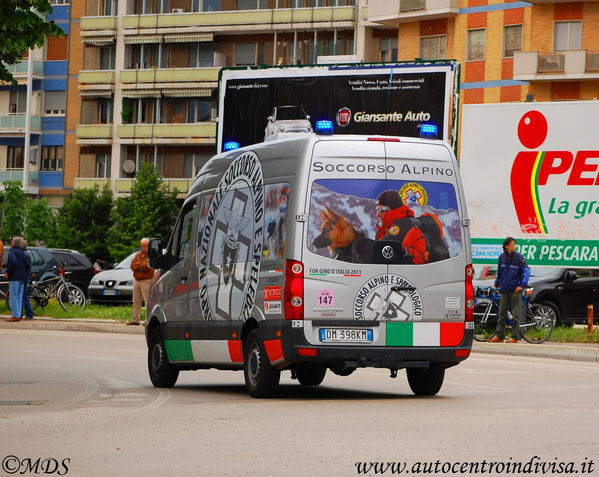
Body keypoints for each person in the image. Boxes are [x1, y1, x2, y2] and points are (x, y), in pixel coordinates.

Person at [488, 236, 531, 343]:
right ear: (506, 246)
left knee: (516, 314)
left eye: (514, 244)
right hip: (504, 289)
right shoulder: (502, 257)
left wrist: (521, 285)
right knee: (501, 314)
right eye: (512, 244)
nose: (514, 246)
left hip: (515, 290)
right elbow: (500, 273)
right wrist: (496, 284)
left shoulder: (519, 258)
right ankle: (499, 336)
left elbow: (526, 272)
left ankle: (515, 337)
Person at [129, 238, 154, 325]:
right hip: (137, 280)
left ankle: (148, 320)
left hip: (147, 280)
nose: (143, 247)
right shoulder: (138, 255)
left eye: (145, 245)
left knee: (147, 300)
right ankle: (135, 319)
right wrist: (139, 266)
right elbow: (132, 266)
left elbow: (147, 266)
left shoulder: (151, 255)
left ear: (148, 246)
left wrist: (138, 265)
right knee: (136, 300)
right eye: (142, 245)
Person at [6, 236, 28, 322]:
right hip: (22, 276)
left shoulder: (12, 252)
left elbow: (13, 262)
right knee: (19, 296)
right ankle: (18, 314)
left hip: (15, 276)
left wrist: (8, 271)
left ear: (14, 243)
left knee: (13, 296)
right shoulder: (23, 252)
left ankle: (15, 315)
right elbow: (26, 264)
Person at [21, 240, 33, 320]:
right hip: (26, 276)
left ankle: (29, 313)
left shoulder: (24, 254)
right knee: (24, 295)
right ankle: (28, 313)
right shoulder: (27, 253)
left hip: (24, 276)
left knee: (23, 295)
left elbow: (26, 266)